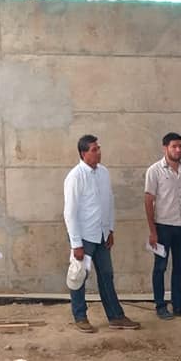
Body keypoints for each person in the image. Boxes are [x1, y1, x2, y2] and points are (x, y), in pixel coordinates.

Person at [63, 135, 140, 333]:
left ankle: (116, 316)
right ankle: (80, 317)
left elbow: (109, 202)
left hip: (102, 235)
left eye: (98, 148)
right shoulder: (75, 177)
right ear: (83, 153)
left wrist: (110, 229)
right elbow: (70, 213)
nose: (98, 152)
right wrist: (76, 243)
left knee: (106, 275)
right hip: (84, 237)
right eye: (94, 150)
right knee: (78, 276)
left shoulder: (104, 173)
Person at [144, 132, 181, 319]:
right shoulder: (154, 171)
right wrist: (153, 231)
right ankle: (160, 305)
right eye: (174, 146)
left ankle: (178, 305)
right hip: (163, 228)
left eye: (180, 146)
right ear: (165, 148)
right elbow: (148, 201)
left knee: (180, 267)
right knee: (160, 267)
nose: (178, 150)